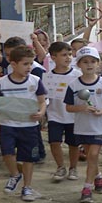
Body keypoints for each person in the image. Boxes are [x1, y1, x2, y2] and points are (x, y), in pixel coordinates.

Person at [0, 45, 47, 202]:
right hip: (8, 124)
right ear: (13, 64)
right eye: (25, 64)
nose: (29, 67)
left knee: (29, 158)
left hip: (29, 126)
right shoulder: (2, 83)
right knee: (7, 152)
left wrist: (41, 112)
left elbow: (42, 102)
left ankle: (27, 187)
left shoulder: (35, 81)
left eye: (31, 63)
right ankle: (15, 174)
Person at [64, 47, 102, 203]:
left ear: (98, 64)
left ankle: (87, 188)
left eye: (93, 61)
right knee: (90, 156)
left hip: (100, 125)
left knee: (93, 155)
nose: (89, 65)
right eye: (85, 62)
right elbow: (68, 107)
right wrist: (82, 108)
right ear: (79, 64)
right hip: (82, 126)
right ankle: (98, 178)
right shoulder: (73, 85)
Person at [0, 35, 47, 162]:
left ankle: (38, 152)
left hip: (31, 107)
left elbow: (42, 97)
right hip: (15, 106)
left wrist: (41, 110)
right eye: (6, 54)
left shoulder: (35, 70)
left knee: (33, 130)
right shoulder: (9, 65)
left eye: (11, 53)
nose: (8, 57)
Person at [43, 41, 82, 182]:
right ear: (53, 57)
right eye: (64, 55)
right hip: (55, 115)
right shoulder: (47, 77)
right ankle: (60, 167)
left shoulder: (78, 75)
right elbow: (44, 97)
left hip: (73, 116)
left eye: (70, 54)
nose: (68, 58)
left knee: (73, 144)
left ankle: (73, 167)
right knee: (54, 142)